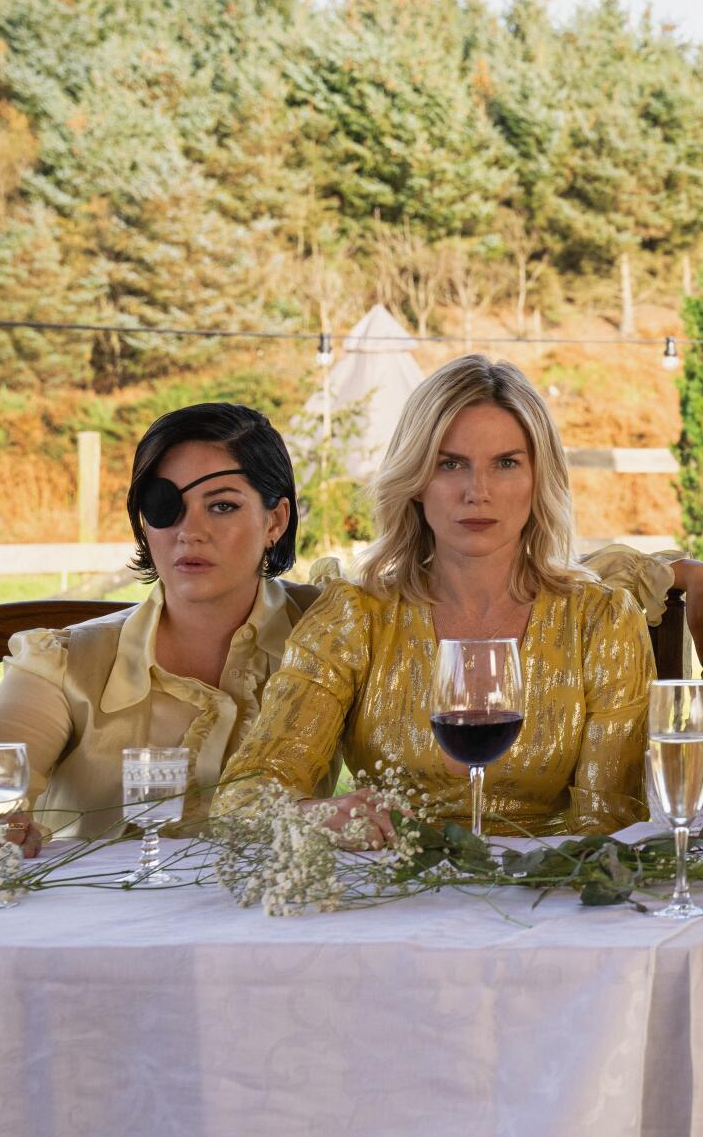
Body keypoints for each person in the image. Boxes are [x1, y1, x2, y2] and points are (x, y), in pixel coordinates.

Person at [217, 355, 652, 839]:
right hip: (393, 897)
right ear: (416, 481)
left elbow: (611, 823)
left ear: (538, 479)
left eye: (506, 463)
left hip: (545, 895)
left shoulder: (601, 622)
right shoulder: (355, 616)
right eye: (451, 464)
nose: (477, 491)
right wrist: (314, 816)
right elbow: (246, 795)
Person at [0, 403, 324, 846]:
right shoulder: (63, 665)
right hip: (97, 909)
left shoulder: (332, 634)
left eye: (222, 506)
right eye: (165, 506)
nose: (188, 531)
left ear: (275, 520)